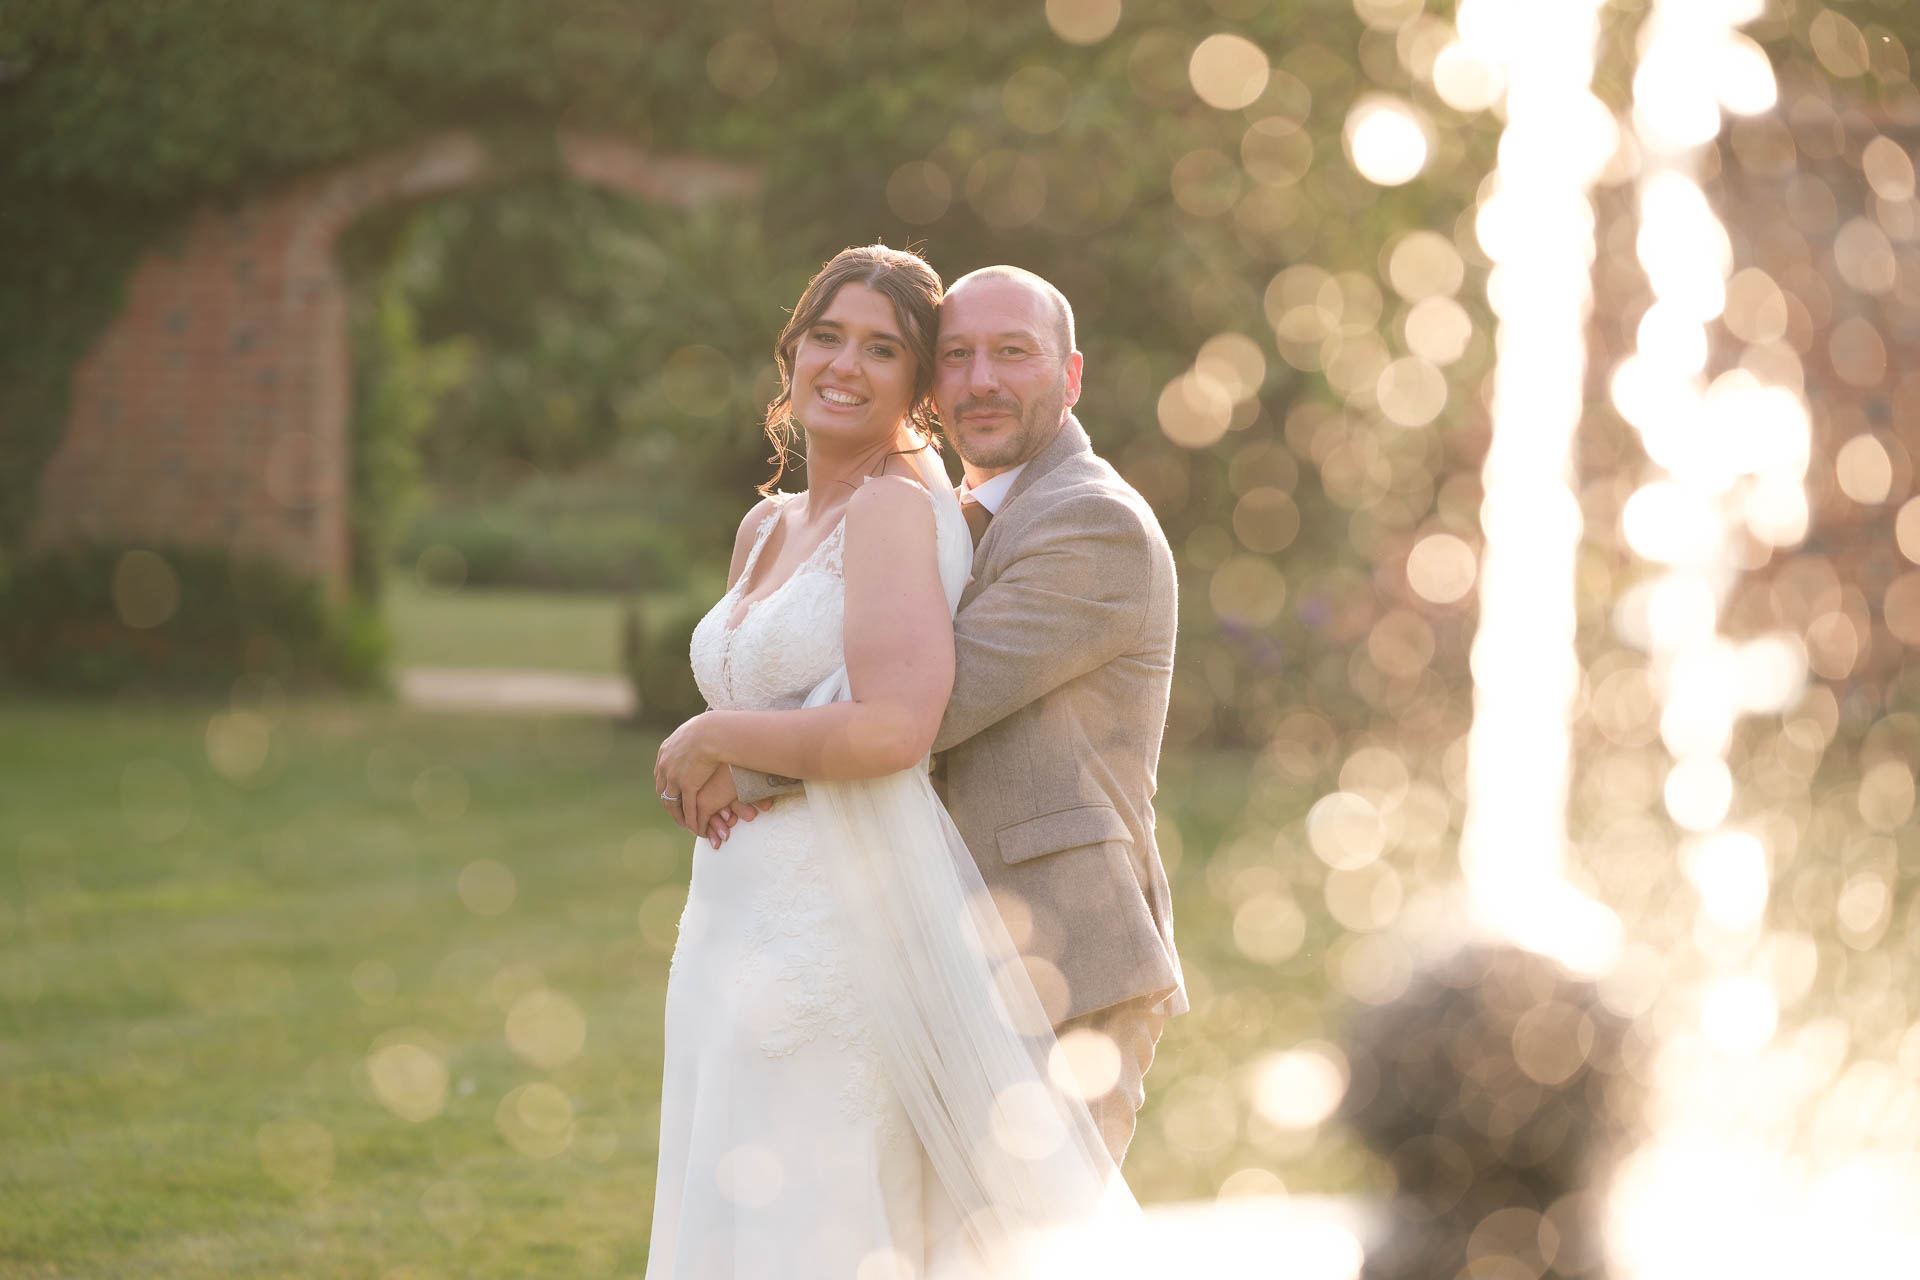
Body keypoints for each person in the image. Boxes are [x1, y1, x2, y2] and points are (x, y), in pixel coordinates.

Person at [646, 247, 1136, 1279]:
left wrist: (720, 740)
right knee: (727, 1206)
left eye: (882, 349)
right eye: (826, 336)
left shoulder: (897, 509)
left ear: (916, 388)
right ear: (791, 351)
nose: (844, 364)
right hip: (730, 913)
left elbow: (897, 724)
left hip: (834, 923)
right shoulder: (765, 524)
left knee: (811, 1225)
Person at [713, 264, 1186, 1166]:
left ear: (1070, 376)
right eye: (958, 356)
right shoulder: (946, 512)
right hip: (939, 949)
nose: (981, 380)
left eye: (1013, 353)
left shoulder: (1093, 522)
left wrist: (731, 758)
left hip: (1064, 960)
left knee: (1038, 1238)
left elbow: (925, 711)